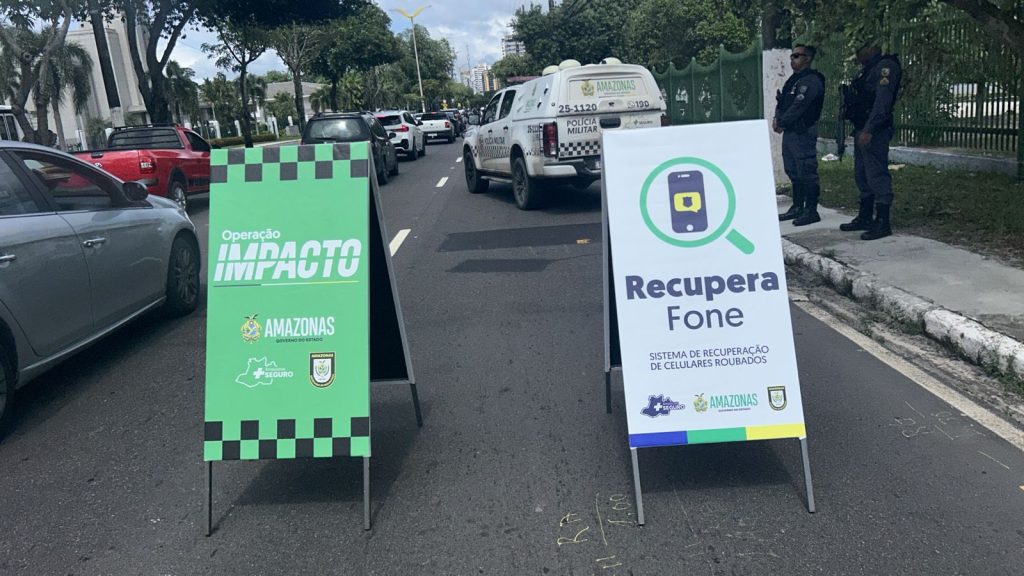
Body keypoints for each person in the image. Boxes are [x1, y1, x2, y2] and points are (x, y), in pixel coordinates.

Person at [840, 44, 902, 240]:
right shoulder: (868, 69)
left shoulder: (885, 67)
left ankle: (883, 221)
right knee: (862, 174)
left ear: (873, 48)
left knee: (876, 173)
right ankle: (865, 216)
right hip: (862, 127)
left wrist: (869, 128)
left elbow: (882, 102)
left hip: (875, 130)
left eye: (861, 48)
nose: (858, 53)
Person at [774, 44, 826, 226]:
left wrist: (782, 122)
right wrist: (777, 118)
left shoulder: (811, 80)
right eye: (792, 56)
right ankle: (797, 206)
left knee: (806, 170)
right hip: (790, 131)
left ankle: (811, 210)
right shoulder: (793, 80)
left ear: (807, 59)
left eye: (797, 56)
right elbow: (782, 101)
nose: (792, 59)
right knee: (793, 170)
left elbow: (799, 106)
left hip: (803, 131)